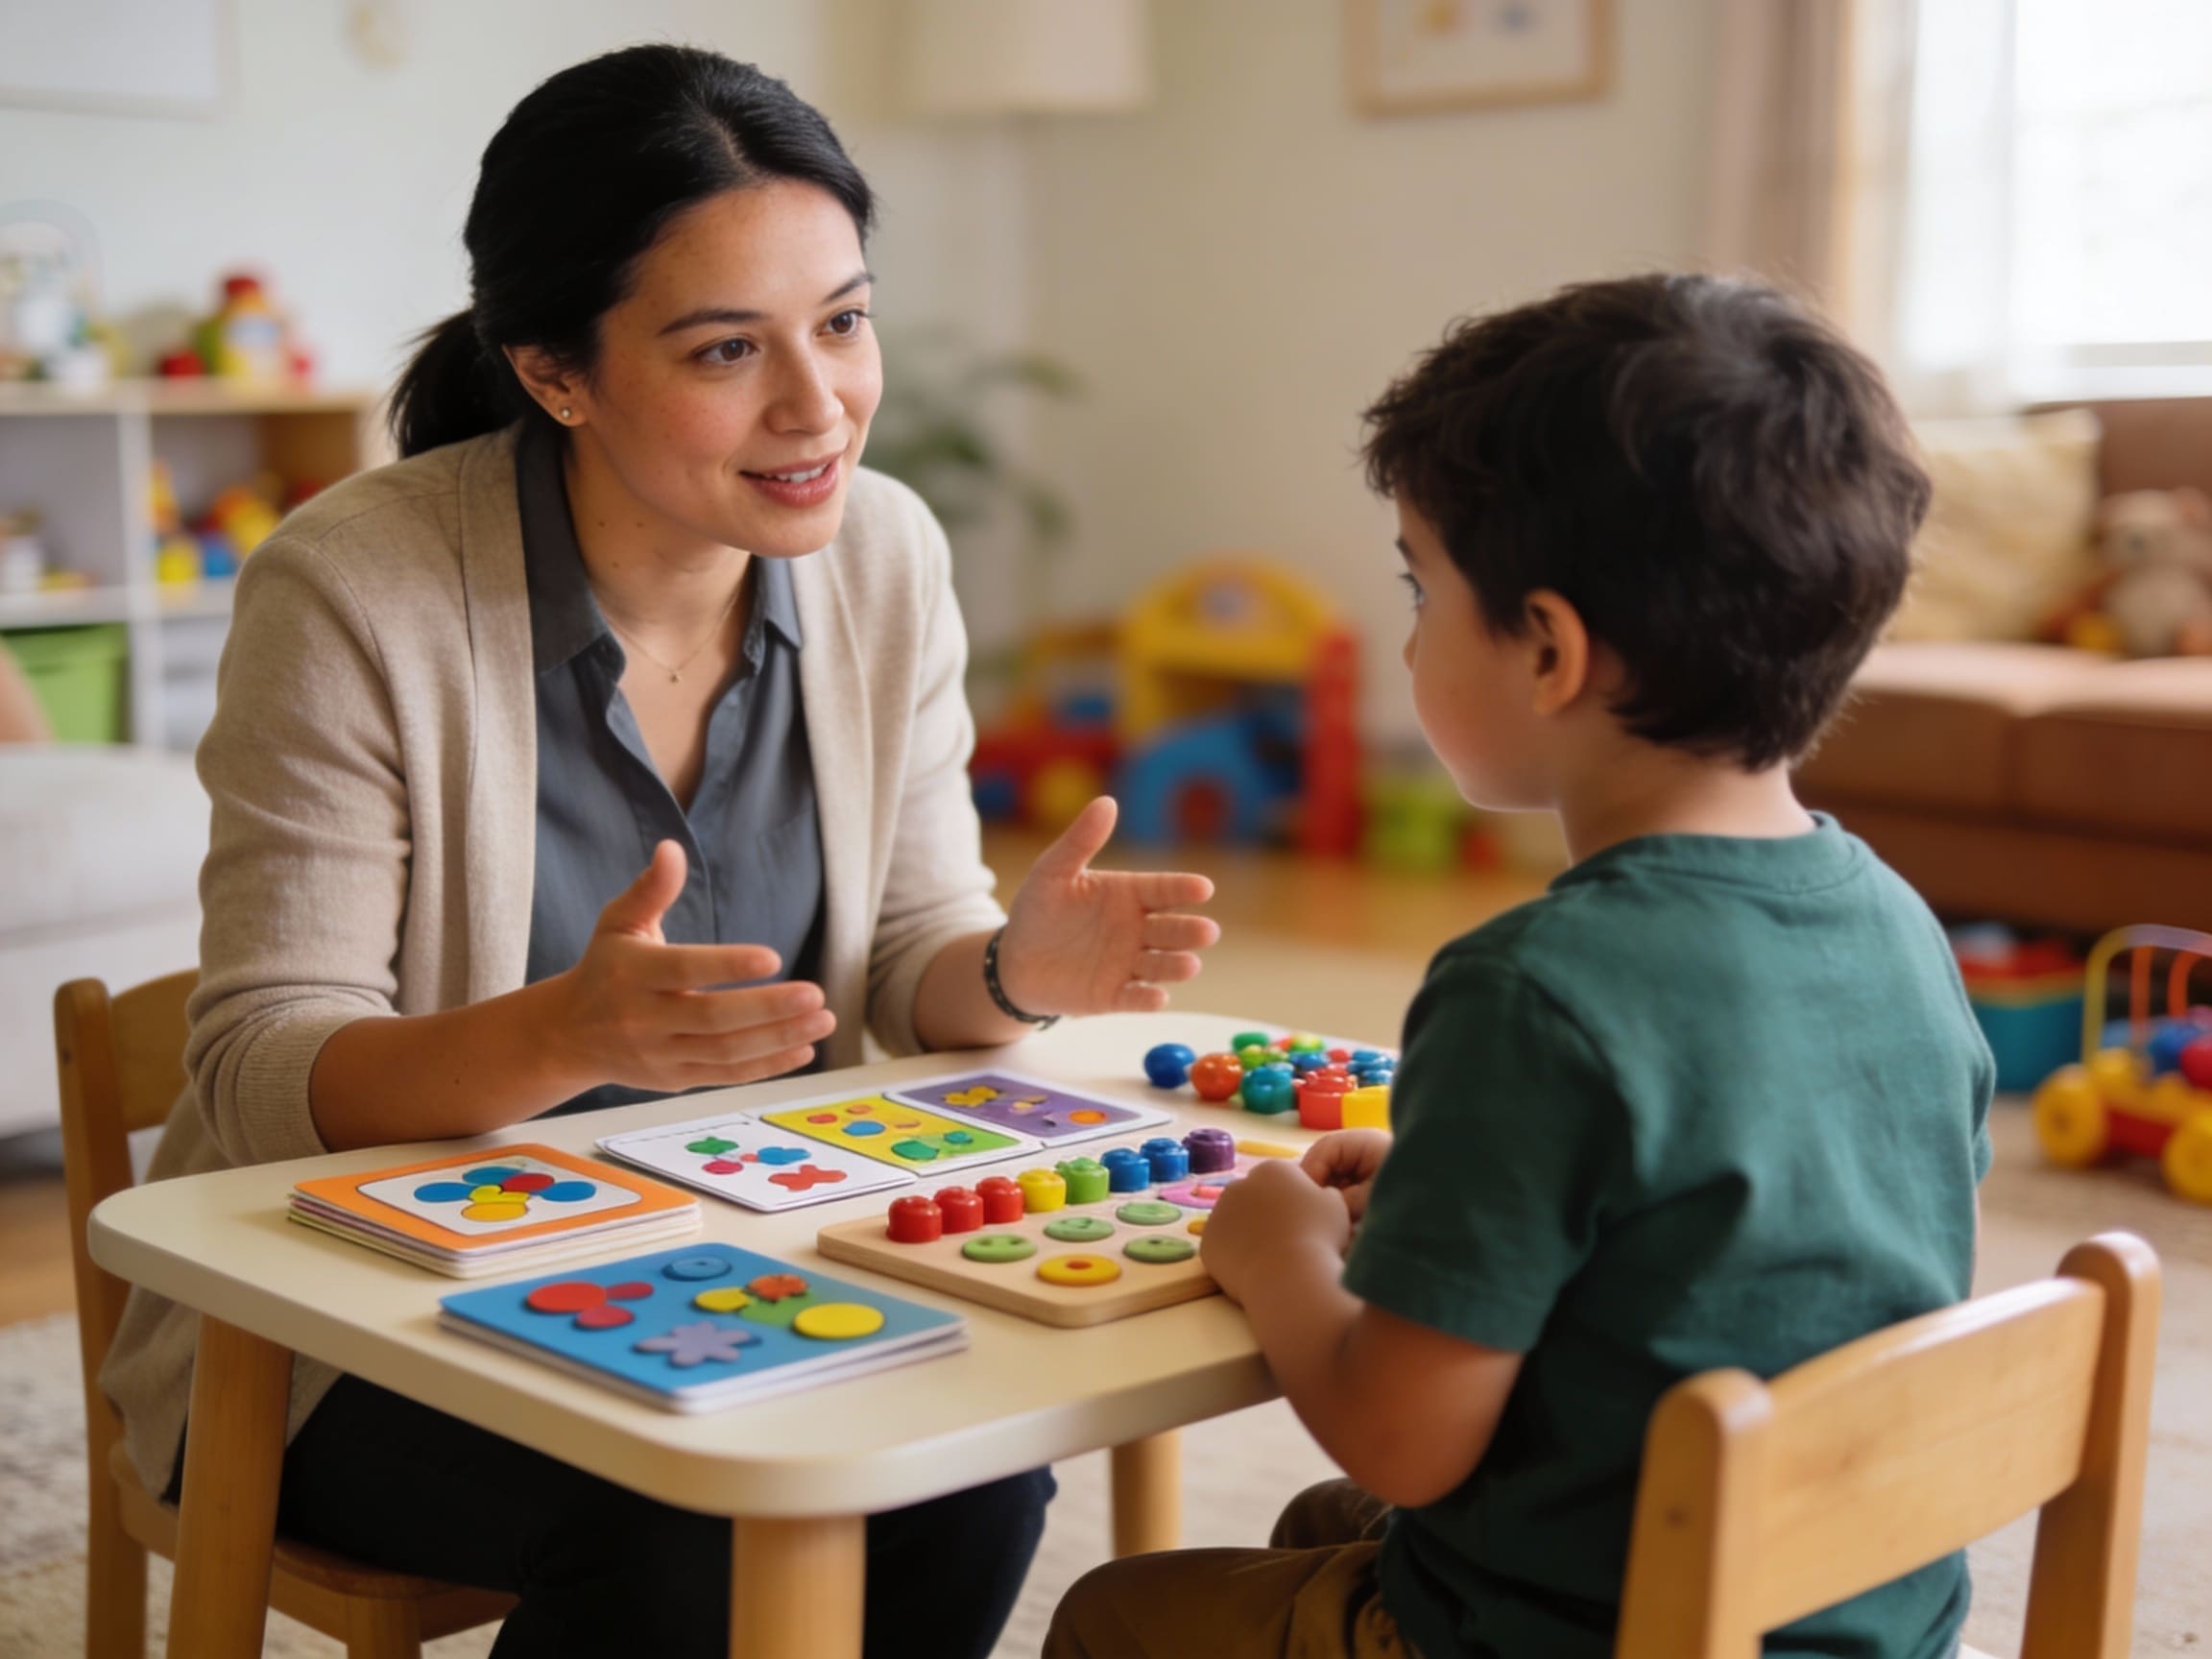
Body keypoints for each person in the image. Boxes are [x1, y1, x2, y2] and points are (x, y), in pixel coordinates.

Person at [100, 44, 1220, 1659]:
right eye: (724, 350)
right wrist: (562, 1035)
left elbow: (916, 964)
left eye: (843, 320)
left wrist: (1006, 974)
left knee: (969, 1479)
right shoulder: (353, 590)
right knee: (697, 1509)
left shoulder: (885, 552)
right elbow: (262, 1071)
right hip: (343, 1326)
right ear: (556, 372)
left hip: (734, 1253)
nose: (817, 403)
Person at [1046, 275, 1993, 1659]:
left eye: (1422, 586)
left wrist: (1282, 1257)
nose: (1413, 632)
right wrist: (1453, 1202)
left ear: (1547, 649)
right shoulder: (1901, 922)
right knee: (1325, 1520)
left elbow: (1402, 1437)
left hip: (1616, 1633)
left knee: (1118, 1611)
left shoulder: (1536, 988)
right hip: (1857, 1615)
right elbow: (1770, 1247)